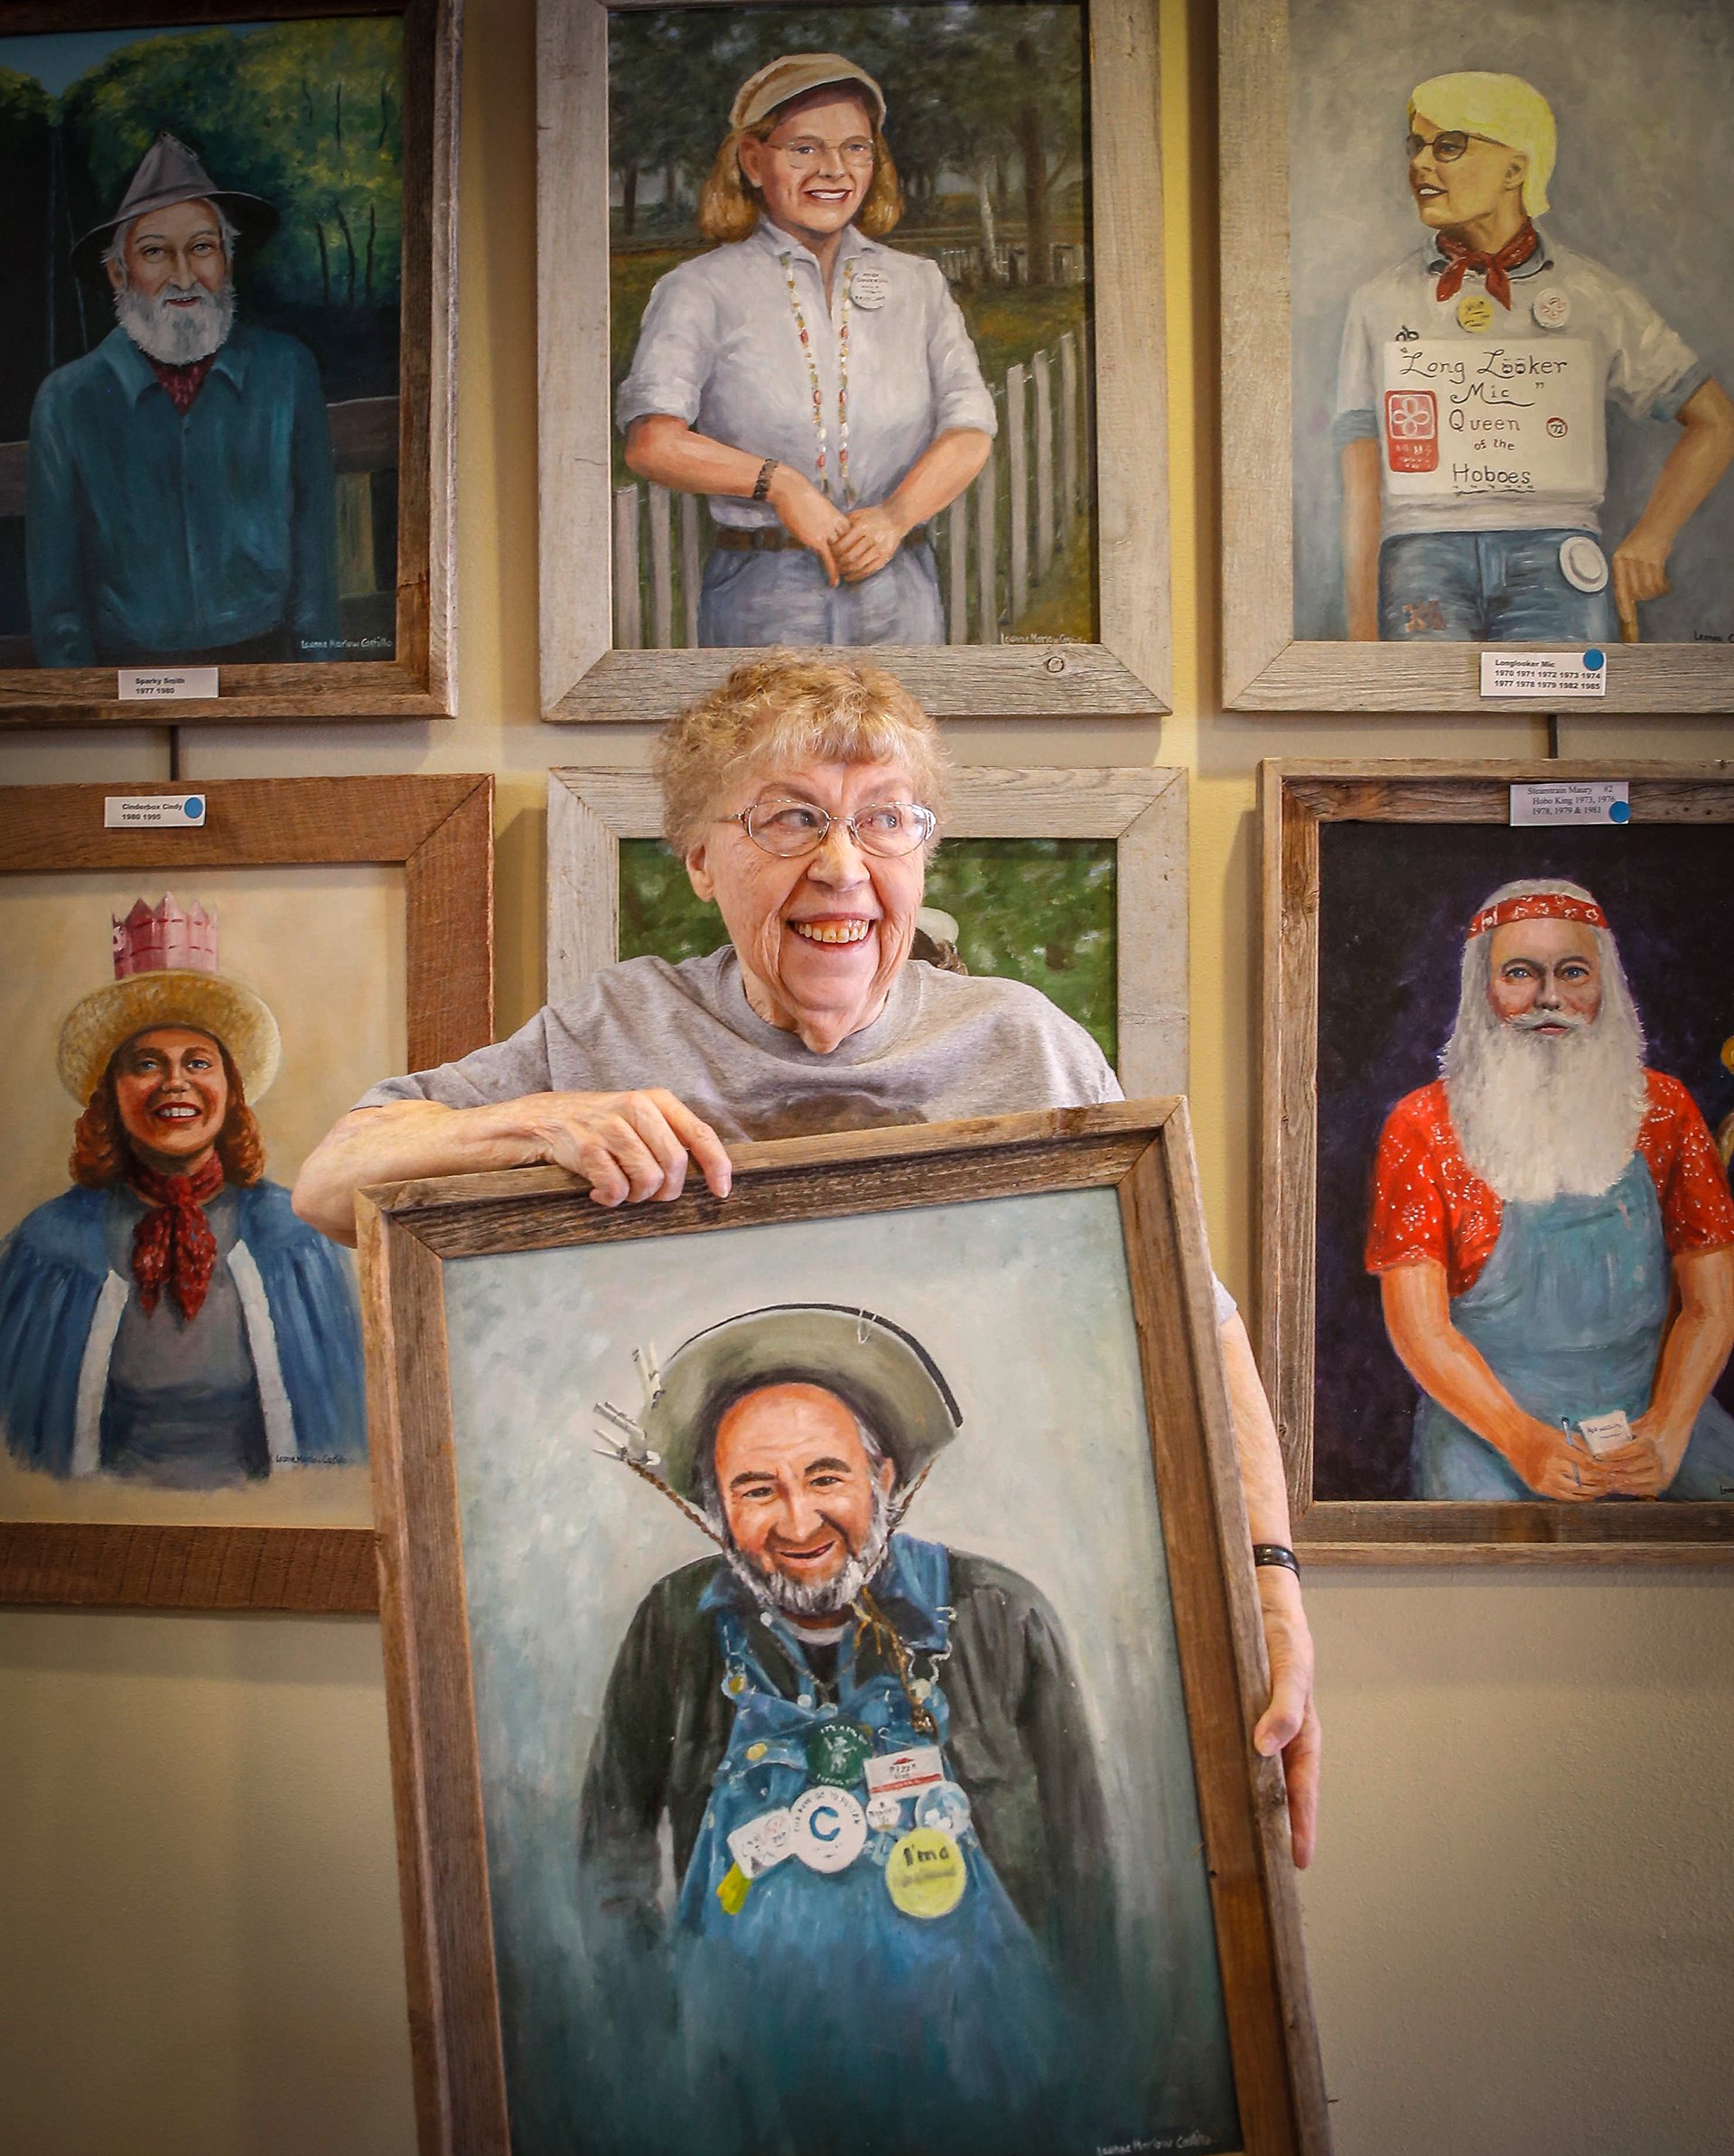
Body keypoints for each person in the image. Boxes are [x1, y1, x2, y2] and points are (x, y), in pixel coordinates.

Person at [296, 650, 1319, 1860]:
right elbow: (330, 1180)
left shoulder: (1026, 1048)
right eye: (789, 818)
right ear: (699, 857)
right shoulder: (616, 1029)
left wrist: (1268, 1582)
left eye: (886, 818)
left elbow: (1200, 1328)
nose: (843, 864)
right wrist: (536, 1121)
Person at [579, 1303, 1114, 2156]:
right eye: (757, 1489)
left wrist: (1087, 2083)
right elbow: (610, 1857)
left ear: (883, 1476)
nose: (798, 1522)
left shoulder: (1001, 1618)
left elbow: (1087, 1879)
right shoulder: (672, 1626)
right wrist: (660, 2051)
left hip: (989, 2112)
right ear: (715, 1507)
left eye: (826, 1477)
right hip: (744, 2118)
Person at [1334, 71, 1734, 643]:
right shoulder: (1378, 301)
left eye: (1448, 146)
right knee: (1430, 704)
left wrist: (1653, 536)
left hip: (1557, 563)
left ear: (1514, 169)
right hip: (1421, 564)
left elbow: (1716, 421)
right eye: (1416, 145)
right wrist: (1360, 633)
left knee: (1564, 697)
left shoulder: (1594, 296)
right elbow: (1361, 473)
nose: (1420, 163)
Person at [1368, 879, 1734, 1501]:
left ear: (1605, 986)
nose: (1549, 999)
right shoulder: (1423, 1125)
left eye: (1572, 972)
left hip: (1655, 1420)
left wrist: (1669, 1429)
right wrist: (1522, 1439)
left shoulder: (1665, 1110)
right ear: (1482, 989)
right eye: (1519, 973)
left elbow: (1711, 1307)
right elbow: (1420, 1330)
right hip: (1487, 1430)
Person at [617, 52, 995, 647]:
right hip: (762, 593)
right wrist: (781, 485)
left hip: (899, 586)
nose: (834, 170)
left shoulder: (916, 283)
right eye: (804, 149)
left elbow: (970, 427)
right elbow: (651, 443)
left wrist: (894, 518)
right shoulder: (699, 289)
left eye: (855, 148)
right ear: (752, 160)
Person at [0, 894, 367, 1486]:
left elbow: (345, 1437)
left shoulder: (296, 1237)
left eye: (198, 1063)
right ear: (111, 1095)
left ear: (230, 1091)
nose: (175, 1083)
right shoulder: (47, 1245)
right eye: (146, 1064)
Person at [27, 132, 340, 668]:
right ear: (118, 271)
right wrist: (84, 706)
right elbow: (58, 610)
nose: (183, 276)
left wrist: (322, 688)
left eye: (201, 247)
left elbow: (316, 560)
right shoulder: (67, 400)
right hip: (126, 679)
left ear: (227, 260)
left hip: (265, 668)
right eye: (154, 252)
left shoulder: (286, 371)